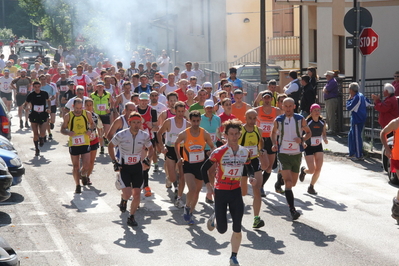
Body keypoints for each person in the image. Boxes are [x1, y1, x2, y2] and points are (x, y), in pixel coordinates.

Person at [201, 119, 254, 266]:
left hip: (236, 192)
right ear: (225, 135)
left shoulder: (245, 152)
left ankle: (233, 257)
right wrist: (209, 187)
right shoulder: (219, 152)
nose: (234, 137)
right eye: (231, 134)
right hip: (221, 192)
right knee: (222, 230)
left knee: (237, 226)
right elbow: (203, 169)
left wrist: (251, 176)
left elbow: (249, 166)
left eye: (237, 134)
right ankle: (215, 217)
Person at [108, 112, 153, 227]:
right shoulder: (122, 134)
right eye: (134, 122)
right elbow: (110, 146)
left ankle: (131, 217)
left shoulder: (144, 135)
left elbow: (151, 147)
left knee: (137, 194)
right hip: (125, 168)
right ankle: (124, 199)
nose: (136, 125)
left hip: (137, 167)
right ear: (129, 123)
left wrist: (148, 159)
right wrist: (115, 162)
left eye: (138, 122)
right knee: (128, 194)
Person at [271, 97, 311, 220]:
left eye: (290, 106)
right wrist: (274, 143)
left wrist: (302, 139)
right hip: (283, 154)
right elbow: (273, 133)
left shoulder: (300, 119)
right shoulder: (278, 120)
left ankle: (279, 180)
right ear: (282, 106)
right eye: (285, 106)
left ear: (294, 106)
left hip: (296, 154)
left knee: (292, 183)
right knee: (288, 183)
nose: (288, 108)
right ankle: (292, 210)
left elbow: (309, 133)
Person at [175, 110, 215, 225]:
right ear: (190, 121)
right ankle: (187, 207)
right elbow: (176, 143)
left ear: (200, 120)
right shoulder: (185, 133)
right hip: (188, 165)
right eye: (193, 121)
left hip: (200, 165)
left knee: (197, 191)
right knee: (192, 189)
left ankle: (190, 213)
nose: (196, 123)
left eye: (197, 121)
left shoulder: (204, 133)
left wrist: (210, 154)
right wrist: (179, 157)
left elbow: (212, 146)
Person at [239, 109, 269, 229]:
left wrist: (261, 150)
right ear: (245, 118)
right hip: (241, 163)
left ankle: (256, 218)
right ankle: (237, 214)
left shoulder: (258, 130)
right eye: (250, 118)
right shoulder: (240, 131)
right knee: (243, 192)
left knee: (257, 189)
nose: (252, 121)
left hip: (254, 161)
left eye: (254, 118)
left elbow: (260, 143)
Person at [157, 101, 189, 208]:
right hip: (170, 149)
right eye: (178, 111)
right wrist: (162, 146)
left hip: (181, 150)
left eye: (182, 111)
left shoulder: (187, 124)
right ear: (175, 111)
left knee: (181, 173)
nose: (180, 113)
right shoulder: (168, 122)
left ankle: (177, 190)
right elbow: (159, 133)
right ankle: (170, 179)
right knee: (172, 176)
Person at [61, 98, 94, 193]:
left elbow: (92, 124)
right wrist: (68, 133)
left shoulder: (87, 114)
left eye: (80, 108)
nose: (78, 110)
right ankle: (77, 185)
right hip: (74, 143)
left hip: (85, 142)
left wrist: (90, 130)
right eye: (76, 108)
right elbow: (62, 129)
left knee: (86, 166)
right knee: (76, 167)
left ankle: (83, 175)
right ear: (73, 107)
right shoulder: (68, 116)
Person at [255, 91, 282, 195]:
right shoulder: (257, 110)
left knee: (270, 167)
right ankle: (257, 181)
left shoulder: (277, 111)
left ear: (271, 99)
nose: (266, 100)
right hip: (261, 140)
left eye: (268, 98)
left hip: (272, 139)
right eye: (264, 98)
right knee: (263, 166)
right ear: (262, 99)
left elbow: (282, 123)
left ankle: (261, 186)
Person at [298, 104, 328, 195]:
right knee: (311, 170)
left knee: (318, 169)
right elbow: (302, 134)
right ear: (311, 112)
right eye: (315, 110)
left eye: (318, 110)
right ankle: (303, 171)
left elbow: (324, 133)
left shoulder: (322, 122)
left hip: (318, 146)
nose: (317, 112)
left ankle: (311, 187)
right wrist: (302, 142)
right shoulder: (307, 122)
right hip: (309, 147)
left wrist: (325, 139)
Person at [200, 100, 222, 204]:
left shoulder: (217, 119)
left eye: (211, 107)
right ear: (204, 108)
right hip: (201, 148)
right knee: (201, 171)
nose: (209, 109)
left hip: (213, 148)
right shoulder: (200, 118)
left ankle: (210, 194)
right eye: (207, 108)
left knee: (212, 172)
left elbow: (218, 133)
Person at [136, 92, 158, 196]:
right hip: (136, 139)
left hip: (149, 139)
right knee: (140, 163)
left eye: (145, 100)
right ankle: (144, 185)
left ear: (148, 101)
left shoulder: (152, 111)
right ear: (138, 100)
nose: (143, 102)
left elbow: (156, 128)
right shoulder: (134, 110)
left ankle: (144, 184)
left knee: (147, 163)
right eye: (142, 100)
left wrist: (151, 126)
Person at [24, 81, 51, 156]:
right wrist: (26, 107)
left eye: (38, 87)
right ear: (33, 87)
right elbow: (25, 103)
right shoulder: (31, 95)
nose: (37, 88)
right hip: (34, 115)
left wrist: (49, 108)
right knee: (35, 134)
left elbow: (49, 101)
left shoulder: (44, 93)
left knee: (42, 133)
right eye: (35, 87)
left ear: (40, 86)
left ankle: (42, 138)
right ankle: (36, 149)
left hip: (43, 114)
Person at [346, 82, 370, 161]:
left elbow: (349, 107)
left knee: (356, 137)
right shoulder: (361, 95)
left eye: (349, 89)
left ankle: (358, 155)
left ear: (351, 90)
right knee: (351, 135)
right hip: (358, 118)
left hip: (357, 119)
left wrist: (349, 100)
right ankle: (352, 153)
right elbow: (368, 103)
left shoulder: (356, 97)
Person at [90, 81, 112, 155]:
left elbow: (112, 103)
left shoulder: (108, 94)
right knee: (100, 131)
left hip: (105, 114)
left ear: (103, 87)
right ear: (96, 87)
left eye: (101, 87)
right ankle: (102, 147)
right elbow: (89, 104)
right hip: (97, 115)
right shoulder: (92, 95)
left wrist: (110, 109)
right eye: (98, 86)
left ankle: (105, 138)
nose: (100, 88)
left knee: (107, 130)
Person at [84, 98, 102, 185]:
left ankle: (87, 177)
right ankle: (83, 173)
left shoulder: (95, 116)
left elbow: (99, 127)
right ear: (84, 106)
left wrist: (101, 135)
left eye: (90, 105)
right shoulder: (81, 115)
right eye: (87, 105)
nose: (89, 107)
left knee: (92, 161)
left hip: (94, 140)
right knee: (85, 161)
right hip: (84, 141)